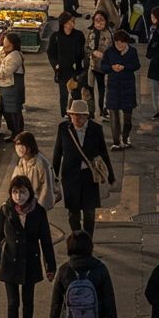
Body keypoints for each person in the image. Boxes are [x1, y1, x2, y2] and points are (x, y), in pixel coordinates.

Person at [0, 175, 57, 318]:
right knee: (13, 303)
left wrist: (50, 266)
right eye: (15, 192)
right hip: (10, 262)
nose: (18, 196)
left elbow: (45, 240)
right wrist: (9, 246)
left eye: (22, 192)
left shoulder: (38, 211)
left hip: (31, 261)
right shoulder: (6, 209)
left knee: (28, 301)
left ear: (29, 192)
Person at [51, 101, 116, 238]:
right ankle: (76, 239)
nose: (77, 119)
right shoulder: (64, 128)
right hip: (70, 177)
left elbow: (103, 153)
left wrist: (111, 178)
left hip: (89, 177)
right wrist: (53, 177)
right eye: (74, 116)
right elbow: (58, 153)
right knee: (73, 213)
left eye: (80, 116)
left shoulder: (96, 129)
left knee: (89, 213)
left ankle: (87, 240)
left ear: (86, 116)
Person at [101, 30, 140, 149]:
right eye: (117, 43)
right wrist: (112, 67)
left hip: (127, 87)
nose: (119, 46)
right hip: (113, 86)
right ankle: (116, 141)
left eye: (121, 43)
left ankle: (125, 137)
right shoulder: (109, 52)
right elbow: (103, 66)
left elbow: (136, 65)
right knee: (114, 115)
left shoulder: (132, 52)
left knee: (128, 117)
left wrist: (125, 67)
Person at [0, 32, 26, 140]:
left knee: (14, 112)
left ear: (13, 44)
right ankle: (14, 133)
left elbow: (5, 73)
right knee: (7, 111)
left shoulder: (15, 56)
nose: (5, 46)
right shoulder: (9, 54)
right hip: (6, 87)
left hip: (12, 88)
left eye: (7, 44)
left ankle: (18, 135)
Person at [48, 12, 88, 117]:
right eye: (69, 22)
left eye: (72, 21)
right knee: (64, 93)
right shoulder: (56, 37)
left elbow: (83, 51)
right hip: (62, 70)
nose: (72, 24)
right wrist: (56, 65)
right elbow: (51, 53)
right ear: (64, 24)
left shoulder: (78, 35)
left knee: (77, 92)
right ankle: (64, 113)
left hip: (76, 69)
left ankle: (77, 111)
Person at [85, 11, 115, 118]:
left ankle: (104, 110)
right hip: (93, 66)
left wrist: (105, 57)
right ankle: (91, 111)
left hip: (105, 67)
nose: (99, 23)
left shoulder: (109, 34)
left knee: (103, 89)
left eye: (101, 20)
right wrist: (93, 53)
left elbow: (113, 50)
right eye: (96, 20)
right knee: (90, 88)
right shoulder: (92, 33)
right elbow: (86, 48)